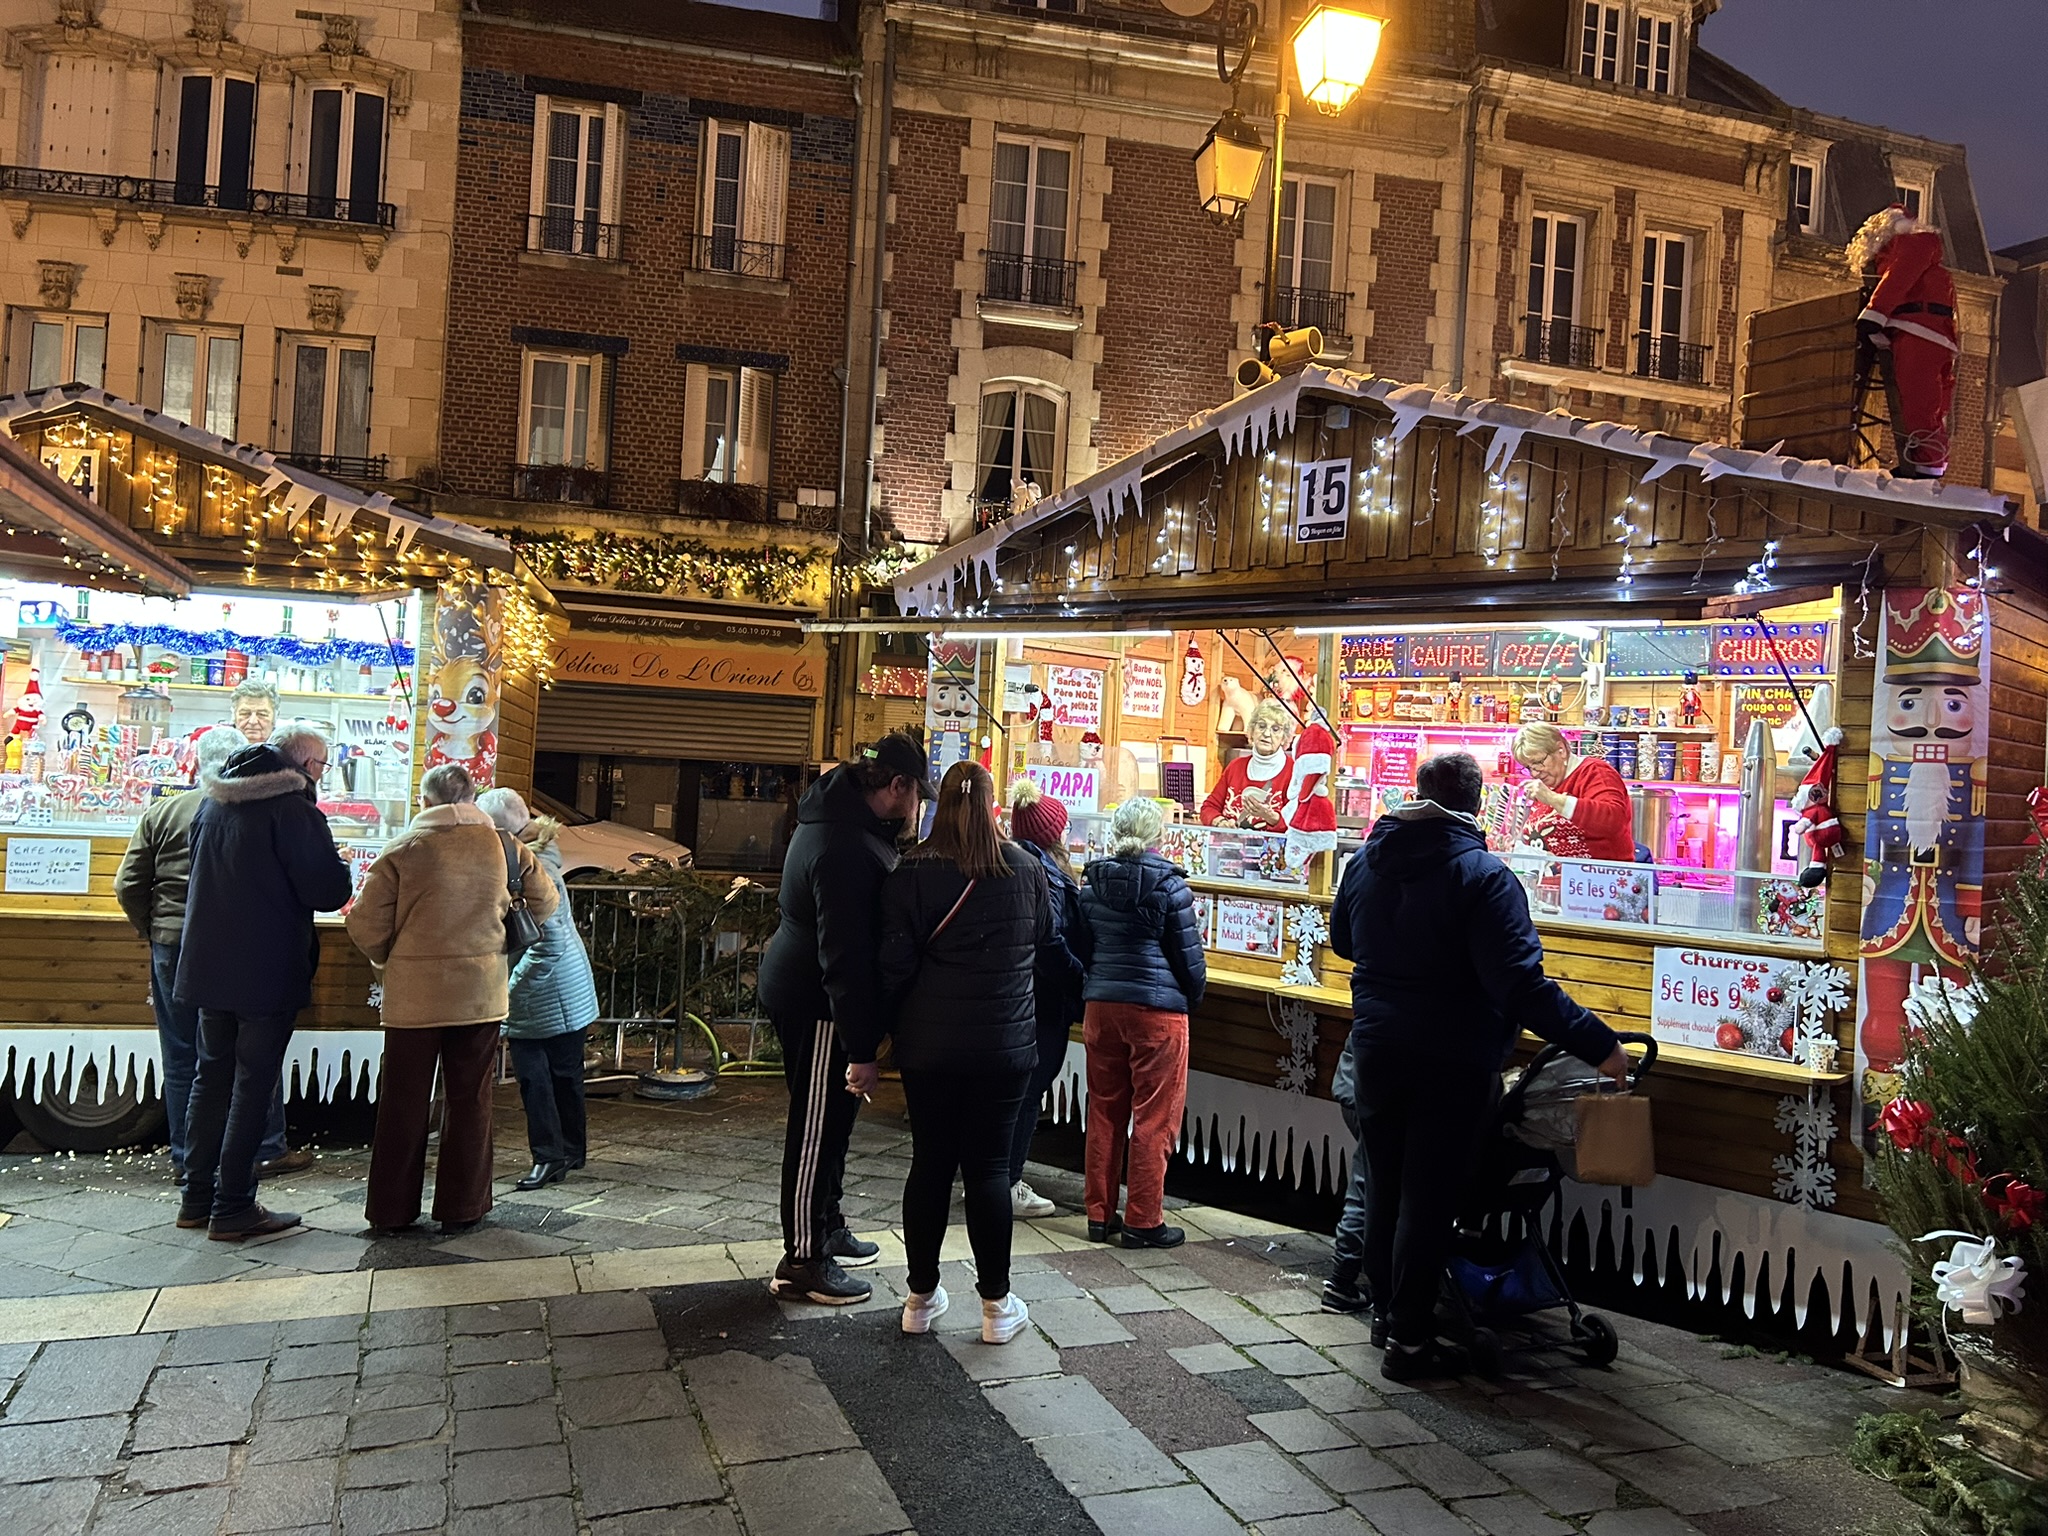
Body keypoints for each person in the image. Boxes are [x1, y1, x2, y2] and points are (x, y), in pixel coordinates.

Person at [1331, 751, 1628, 1380]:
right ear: (1477, 803)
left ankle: (1388, 1316)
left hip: (1378, 1045)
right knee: (1430, 1198)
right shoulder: (1484, 875)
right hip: (1453, 1055)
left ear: (1417, 792)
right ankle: (1410, 1345)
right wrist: (1598, 1042)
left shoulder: (1367, 860)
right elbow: (1521, 986)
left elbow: (1344, 942)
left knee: (1386, 1185)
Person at [758, 731, 931, 1305]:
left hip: (815, 994)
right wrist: (861, 1048)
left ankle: (825, 1224)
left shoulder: (842, 822)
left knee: (832, 1124)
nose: (917, 811)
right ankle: (803, 1257)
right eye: (917, 797)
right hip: (816, 1003)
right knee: (814, 1130)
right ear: (898, 786)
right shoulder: (847, 847)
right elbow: (845, 958)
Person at [348, 763, 559, 1233]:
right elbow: (545, 903)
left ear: (426, 802)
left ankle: (391, 1210)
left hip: (413, 999)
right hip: (479, 995)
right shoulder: (506, 847)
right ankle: (463, 1207)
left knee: (403, 1103)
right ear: (470, 797)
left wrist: (393, 958)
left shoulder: (403, 849)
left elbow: (365, 925)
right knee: (471, 1100)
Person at [879, 761, 1048, 1343]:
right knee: (990, 1171)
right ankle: (997, 1308)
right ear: (993, 805)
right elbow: (1044, 942)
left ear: (938, 804)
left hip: (929, 1047)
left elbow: (894, 965)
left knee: (929, 1163)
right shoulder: (1025, 869)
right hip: (1003, 1046)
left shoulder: (911, 871)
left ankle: (920, 1299)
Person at [174, 730, 352, 1240]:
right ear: (301, 766)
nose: (320, 774)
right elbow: (326, 890)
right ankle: (233, 1207)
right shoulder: (292, 811)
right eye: (320, 764)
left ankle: (196, 1199)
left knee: (211, 1080)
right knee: (253, 1086)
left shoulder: (213, 803)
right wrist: (338, 866)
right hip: (265, 969)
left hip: (209, 967)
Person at [115, 726, 247, 1183]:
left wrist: (150, 929)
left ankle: (185, 1158)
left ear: (194, 763)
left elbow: (128, 884)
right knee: (236, 1053)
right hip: (231, 946)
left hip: (170, 944)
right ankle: (246, 1153)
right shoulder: (247, 813)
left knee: (180, 1053)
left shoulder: (163, 811)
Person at [1076, 795, 1206, 1249]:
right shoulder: (1171, 887)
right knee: (1154, 1118)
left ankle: (1098, 1214)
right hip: (1157, 1012)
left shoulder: (1091, 882)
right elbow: (1189, 961)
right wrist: (1192, 997)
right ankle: (1143, 1220)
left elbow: (1081, 945)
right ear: (1158, 837)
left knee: (1104, 1111)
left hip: (1101, 1007)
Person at [479, 787, 599, 1191]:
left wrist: (509, 993)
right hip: (568, 988)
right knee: (565, 1074)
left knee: (535, 1078)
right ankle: (572, 1151)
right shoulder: (543, 853)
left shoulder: (527, 869)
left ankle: (549, 1158)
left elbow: (547, 946)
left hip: (546, 994)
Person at [1005, 779, 1086, 1218]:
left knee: (1017, 1092)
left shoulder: (1018, 862)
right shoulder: (1047, 875)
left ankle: (999, 1176)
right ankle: (1010, 1182)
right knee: (1027, 1092)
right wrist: (1079, 979)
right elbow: (1050, 941)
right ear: (1051, 833)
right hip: (1043, 1001)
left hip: (1024, 997)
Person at [1511, 723, 1636, 862]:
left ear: (1561, 750)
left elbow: (1613, 819)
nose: (1534, 773)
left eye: (1539, 762)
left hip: (1599, 879)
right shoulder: (1548, 783)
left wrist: (1553, 799)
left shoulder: (1595, 772)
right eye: (1529, 767)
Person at [1323, 1039, 1372, 1316]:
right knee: (1367, 1188)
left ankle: (1343, 1280)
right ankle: (1342, 1281)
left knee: (1366, 1186)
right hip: (1385, 1085)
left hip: (1357, 1079)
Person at [1201, 698, 1296, 829]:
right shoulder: (1235, 767)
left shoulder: (1293, 772)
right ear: (1252, 731)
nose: (1267, 734)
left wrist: (1271, 817)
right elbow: (1209, 808)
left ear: (1284, 737)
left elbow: (1299, 824)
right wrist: (1220, 822)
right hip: (1229, 847)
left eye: (1275, 729)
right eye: (1262, 726)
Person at [229, 680, 279, 746]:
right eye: (245, 713)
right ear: (234, 716)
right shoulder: (219, 747)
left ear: (275, 718)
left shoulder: (287, 751)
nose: (253, 721)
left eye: (262, 714)